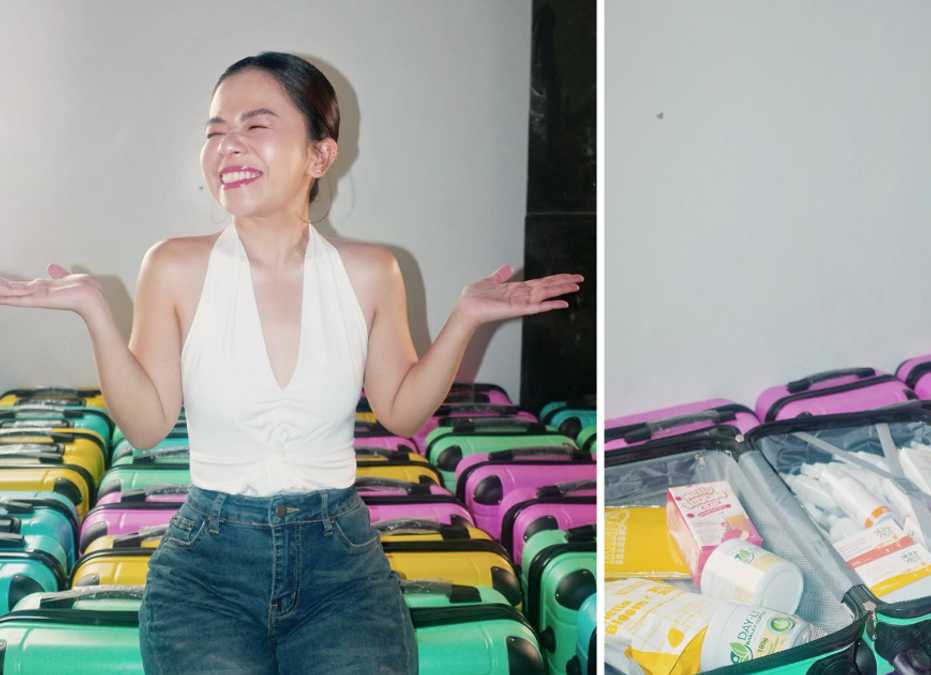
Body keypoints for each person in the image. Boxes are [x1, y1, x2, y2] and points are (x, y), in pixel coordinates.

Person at [0, 51, 583, 674]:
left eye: (256, 125)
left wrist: (464, 318)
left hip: (342, 568)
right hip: (206, 569)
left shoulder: (372, 272)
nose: (228, 145)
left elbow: (401, 410)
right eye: (216, 132)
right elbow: (144, 427)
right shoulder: (171, 266)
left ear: (319, 155)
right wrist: (94, 311)